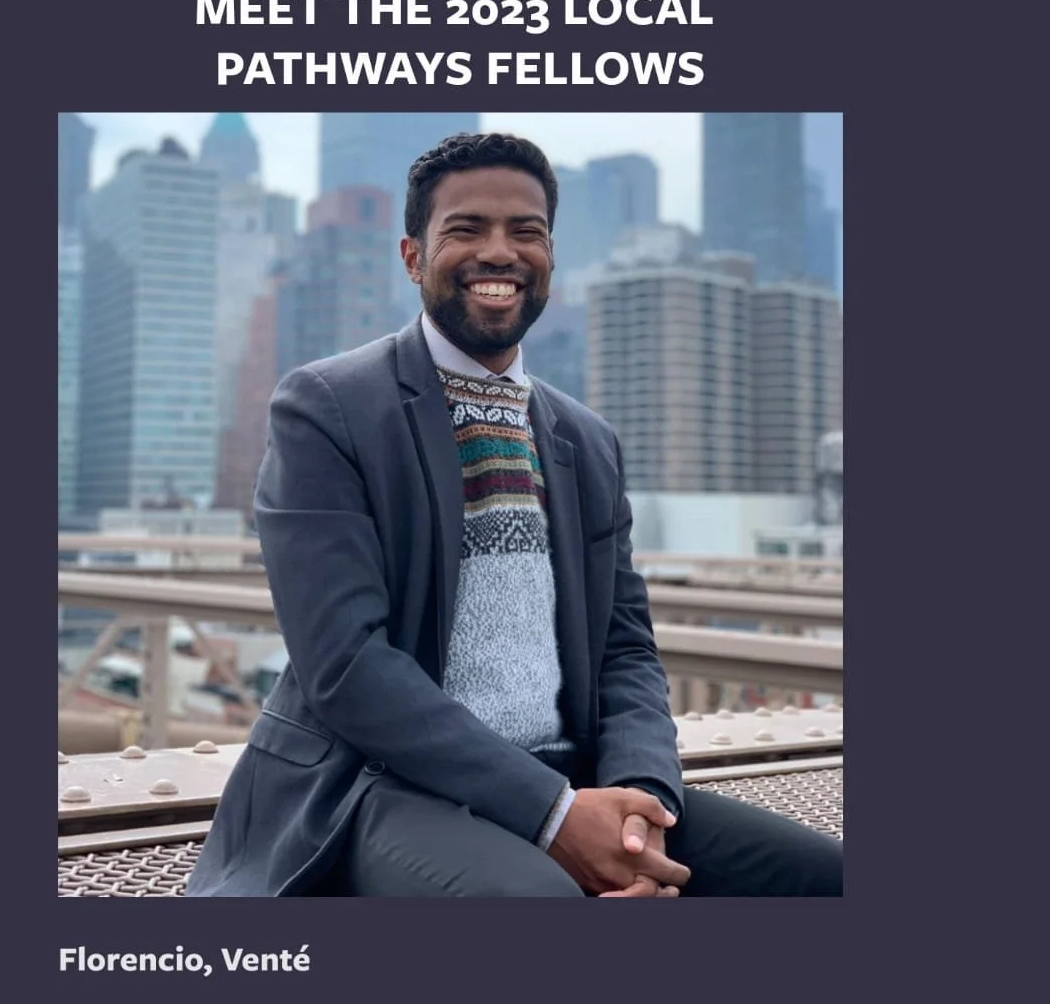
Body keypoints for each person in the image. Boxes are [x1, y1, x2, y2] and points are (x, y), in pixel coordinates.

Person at [185, 132, 843, 898]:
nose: (499, 252)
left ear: (550, 259)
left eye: (525, 232)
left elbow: (625, 650)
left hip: (579, 776)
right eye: (466, 229)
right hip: (380, 786)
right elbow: (347, 669)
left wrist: (641, 810)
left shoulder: (587, 440)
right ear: (411, 256)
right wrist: (555, 816)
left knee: (824, 879)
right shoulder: (328, 407)